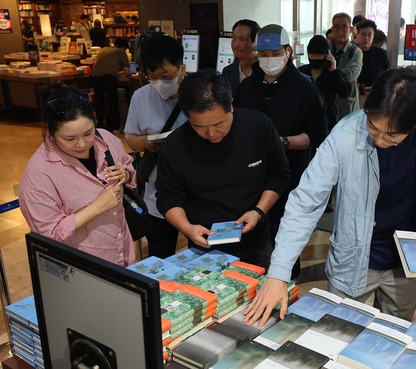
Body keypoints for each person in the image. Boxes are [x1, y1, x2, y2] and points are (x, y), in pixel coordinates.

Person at [243, 67, 416, 326]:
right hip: (353, 262)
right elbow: (306, 203)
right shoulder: (344, 134)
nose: (380, 139)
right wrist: (278, 273)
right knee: (338, 333)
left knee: (392, 338)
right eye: (372, 126)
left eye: (392, 136)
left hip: (408, 262)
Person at [155, 69, 290, 268]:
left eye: (219, 123)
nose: (211, 133)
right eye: (199, 126)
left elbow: (279, 173)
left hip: (256, 239)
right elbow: (167, 196)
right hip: (204, 245)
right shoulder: (175, 145)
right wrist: (188, 228)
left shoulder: (258, 126)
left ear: (231, 106)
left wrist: (259, 211)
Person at [234, 24, 328, 276]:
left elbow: (318, 134)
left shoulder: (305, 90)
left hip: (291, 177)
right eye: (262, 54)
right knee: (251, 237)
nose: (267, 60)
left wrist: (281, 142)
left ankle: (286, 284)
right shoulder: (247, 87)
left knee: (285, 238)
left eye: (274, 53)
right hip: (250, 179)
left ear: (288, 51)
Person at [19, 82, 136, 267]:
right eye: (70, 138)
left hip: (123, 255)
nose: (82, 144)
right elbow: (49, 236)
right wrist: (97, 207)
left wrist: (126, 175)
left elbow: (129, 166)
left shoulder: (106, 140)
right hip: (80, 269)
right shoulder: (39, 174)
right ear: (52, 133)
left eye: (88, 133)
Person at [125, 35, 188, 259]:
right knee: (159, 257)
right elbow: (130, 136)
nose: (159, 83)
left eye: (166, 76)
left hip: (196, 192)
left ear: (182, 68)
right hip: (157, 192)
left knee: (201, 254)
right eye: (152, 77)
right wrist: (145, 143)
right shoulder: (140, 97)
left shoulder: (199, 94)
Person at [299, 35, 351, 131]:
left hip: (328, 123)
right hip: (305, 122)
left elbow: (345, 92)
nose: (315, 58)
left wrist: (334, 72)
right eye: (312, 54)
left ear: (327, 55)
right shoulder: (302, 72)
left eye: (319, 55)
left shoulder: (332, 73)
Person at [91, 38, 130, 133]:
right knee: (112, 102)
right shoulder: (121, 52)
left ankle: (100, 125)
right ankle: (116, 127)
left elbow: (104, 66)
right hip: (108, 78)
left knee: (99, 102)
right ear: (123, 47)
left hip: (95, 76)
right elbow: (127, 72)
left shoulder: (103, 49)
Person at [329, 13, 363, 120]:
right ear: (332, 29)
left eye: (344, 27)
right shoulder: (326, 49)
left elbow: (351, 75)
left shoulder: (355, 52)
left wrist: (333, 71)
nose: (340, 31)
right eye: (337, 27)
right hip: (328, 104)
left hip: (347, 107)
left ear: (351, 29)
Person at [356, 19, 390, 109]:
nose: (366, 38)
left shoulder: (380, 53)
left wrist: (375, 88)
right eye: (363, 34)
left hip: (374, 96)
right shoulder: (351, 51)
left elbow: (387, 75)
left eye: (369, 35)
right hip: (354, 96)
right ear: (357, 34)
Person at [221, 19, 260, 96]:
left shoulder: (266, 71)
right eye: (234, 38)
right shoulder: (228, 72)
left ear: (256, 42)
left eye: (241, 40)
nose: (236, 45)